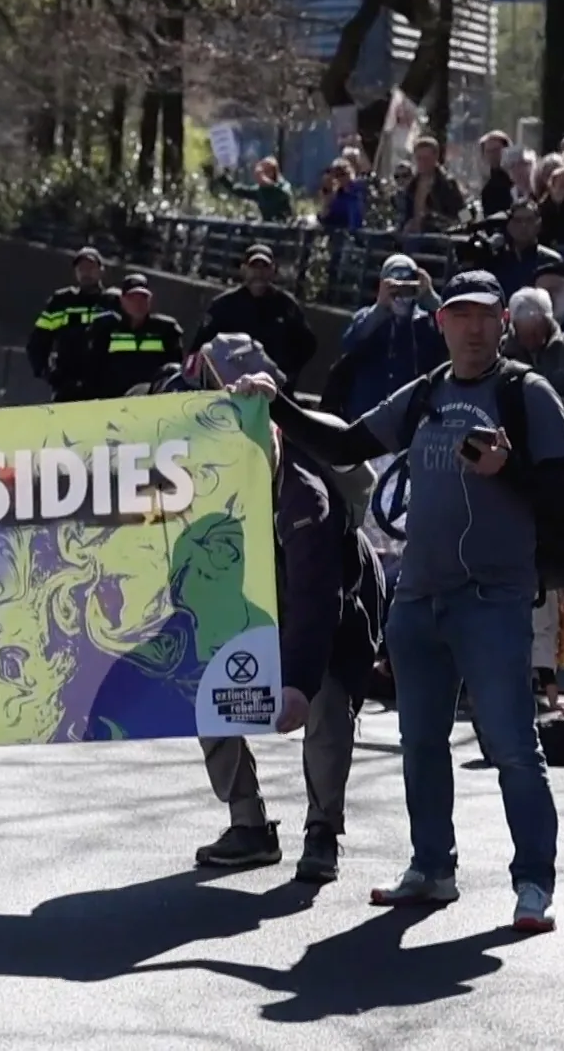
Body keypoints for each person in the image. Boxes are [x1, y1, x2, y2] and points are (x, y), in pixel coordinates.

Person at [238, 269, 564, 933]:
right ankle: (431, 868)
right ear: (441, 322)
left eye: (485, 315)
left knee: (511, 744)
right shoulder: (426, 394)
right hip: (418, 601)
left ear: (502, 321)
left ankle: (533, 881)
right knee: (420, 742)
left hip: (492, 601)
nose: (473, 327)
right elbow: (343, 445)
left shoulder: (525, 393)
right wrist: (276, 403)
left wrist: (508, 471)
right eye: (460, 314)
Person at [189, 338, 385, 884]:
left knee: (326, 702)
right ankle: (247, 824)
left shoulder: (305, 499)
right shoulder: (206, 468)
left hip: (336, 599)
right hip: (250, 593)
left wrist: (295, 683)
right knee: (210, 695)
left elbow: (315, 597)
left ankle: (323, 830)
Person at [320, 254, 445, 420]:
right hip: (368, 414)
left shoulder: (427, 321)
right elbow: (349, 343)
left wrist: (431, 298)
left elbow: (454, 333)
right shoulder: (367, 317)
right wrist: (380, 309)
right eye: (395, 286)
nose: (400, 293)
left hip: (411, 416)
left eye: (407, 286)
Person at [191, 244, 317, 382]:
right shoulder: (223, 305)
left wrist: (285, 373)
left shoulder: (287, 306)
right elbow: (200, 348)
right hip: (230, 387)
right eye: (254, 267)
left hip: (272, 388)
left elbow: (307, 345)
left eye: (264, 267)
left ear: (273, 270)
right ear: (243, 269)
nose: (259, 273)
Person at [68, 274, 183, 399]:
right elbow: (91, 370)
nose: (138, 303)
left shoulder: (166, 330)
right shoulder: (106, 329)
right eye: (133, 298)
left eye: (143, 298)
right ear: (122, 300)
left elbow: (174, 371)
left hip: (150, 403)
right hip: (111, 402)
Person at [29, 247, 117, 401]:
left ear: (102, 270)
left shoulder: (114, 302)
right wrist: (48, 373)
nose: (85, 272)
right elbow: (38, 341)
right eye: (81, 268)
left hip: (106, 388)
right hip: (68, 386)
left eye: (90, 267)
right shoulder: (62, 302)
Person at [504, 287, 564, 420]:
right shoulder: (502, 350)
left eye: (536, 333)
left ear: (547, 322)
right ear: (515, 327)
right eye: (525, 334)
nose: (531, 340)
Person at [489, 200, 563, 297]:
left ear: (538, 224)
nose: (523, 226)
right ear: (509, 225)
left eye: (529, 220)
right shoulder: (496, 260)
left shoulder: (551, 261)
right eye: (518, 220)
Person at [400, 137, 465, 234]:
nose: (422, 163)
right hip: (414, 239)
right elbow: (406, 214)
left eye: (426, 159)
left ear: (436, 157)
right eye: (419, 158)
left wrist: (462, 227)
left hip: (439, 238)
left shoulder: (447, 184)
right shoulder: (412, 186)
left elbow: (464, 214)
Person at [209, 156, 296, 222]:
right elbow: (238, 190)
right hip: (267, 229)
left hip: (284, 229)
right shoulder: (260, 190)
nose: (263, 175)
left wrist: (263, 179)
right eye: (263, 172)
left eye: (266, 171)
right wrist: (222, 177)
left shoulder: (284, 186)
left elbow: (282, 193)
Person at [479, 131, 515, 218]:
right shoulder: (488, 185)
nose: (492, 155)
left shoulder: (515, 177)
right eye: (488, 151)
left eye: (496, 150)